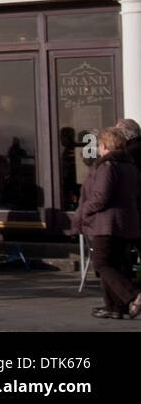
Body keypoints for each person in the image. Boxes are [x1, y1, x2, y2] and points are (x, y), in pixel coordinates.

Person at [72, 127, 141, 319]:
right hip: (126, 222)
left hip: (107, 223)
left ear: (103, 145)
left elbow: (100, 197)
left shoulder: (108, 166)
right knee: (116, 264)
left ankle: (133, 294)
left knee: (101, 262)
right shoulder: (130, 165)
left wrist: (83, 212)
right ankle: (114, 307)